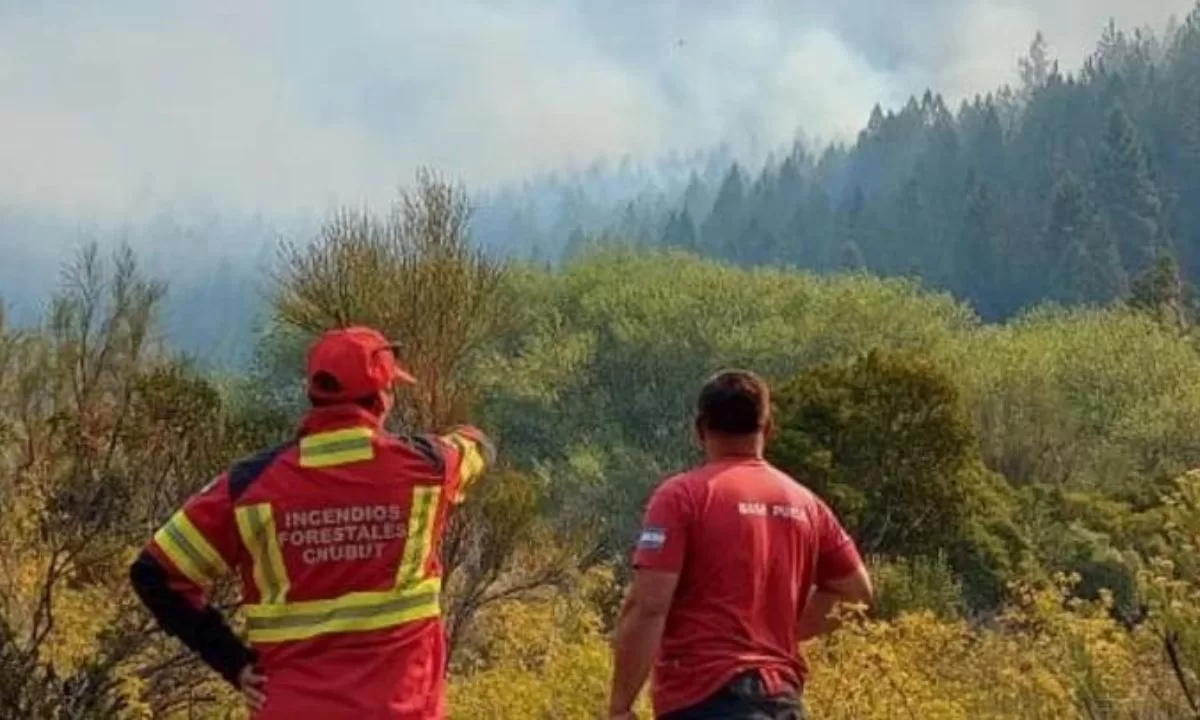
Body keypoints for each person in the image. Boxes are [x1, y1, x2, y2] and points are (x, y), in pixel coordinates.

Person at [129, 325, 495, 719]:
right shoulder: (427, 466)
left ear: (314, 395)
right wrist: (461, 434)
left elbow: (154, 573)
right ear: (381, 399)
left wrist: (232, 661)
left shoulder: (249, 486)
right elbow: (478, 447)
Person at [608, 369, 873, 720]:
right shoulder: (807, 504)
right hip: (781, 699)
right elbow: (856, 591)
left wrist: (620, 707)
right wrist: (780, 634)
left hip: (705, 696)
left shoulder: (682, 496)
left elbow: (648, 607)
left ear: (700, 430)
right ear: (768, 428)